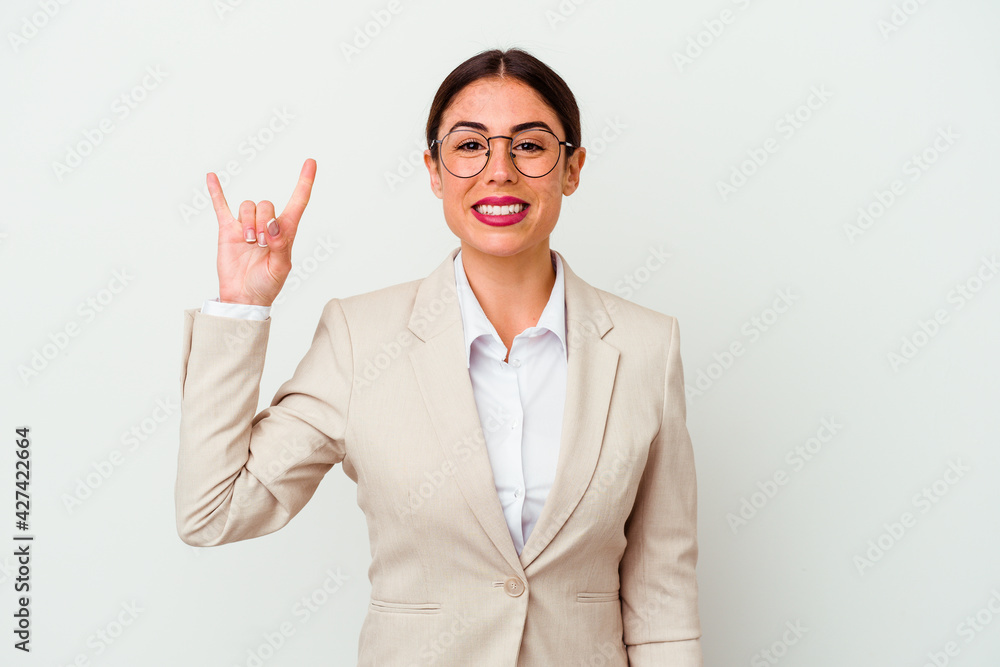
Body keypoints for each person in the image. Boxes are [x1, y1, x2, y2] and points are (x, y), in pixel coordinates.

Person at [175, 47, 703, 666]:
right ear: (434, 169)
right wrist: (241, 307)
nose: (499, 170)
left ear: (572, 168)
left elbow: (663, 596)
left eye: (530, 146)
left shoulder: (646, 346)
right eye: (470, 145)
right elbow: (213, 512)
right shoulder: (359, 337)